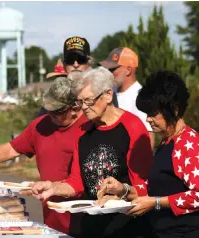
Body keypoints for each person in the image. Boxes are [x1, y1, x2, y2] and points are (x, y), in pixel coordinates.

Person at [31, 67, 153, 238]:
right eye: (80, 102)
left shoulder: (132, 127)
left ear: (108, 95)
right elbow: (77, 182)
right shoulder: (83, 130)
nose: (84, 108)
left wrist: (121, 194)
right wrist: (53, 187)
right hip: (90, 226)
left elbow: (144, 186)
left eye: (88, 101)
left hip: (125, 227)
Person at [0, 73, 88, 235]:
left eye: (56, 111)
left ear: (74, 108)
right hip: (52, 217)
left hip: (84, 218)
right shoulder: (41, 125)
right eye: (47, 109)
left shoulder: (88, 127)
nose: (50, 115)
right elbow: (11, 149)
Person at [103, 70, 199, 238]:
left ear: (175, 110)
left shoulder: (189, 144)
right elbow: (154, 188)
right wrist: (122, 191)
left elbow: (197, 194)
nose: (147, 119)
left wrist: (156, 203)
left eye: (153, 113)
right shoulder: (166, 142)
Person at [99, 47, 155, 149]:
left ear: (128, 70)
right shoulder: (109, 93)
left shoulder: (141, 97)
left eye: (112, 69)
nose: (109, 73)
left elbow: (148, 140)